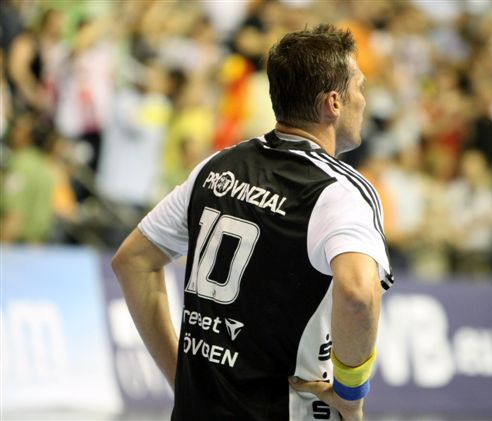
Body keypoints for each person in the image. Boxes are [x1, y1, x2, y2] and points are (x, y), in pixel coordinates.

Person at [112, 24, 393, 421]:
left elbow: (132, 261)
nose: (363, 100)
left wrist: (182, 380)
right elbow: (359, 294)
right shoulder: (339, 191)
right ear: (334, 102)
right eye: (360, 88)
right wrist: (351, 392)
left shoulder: (217, 166)